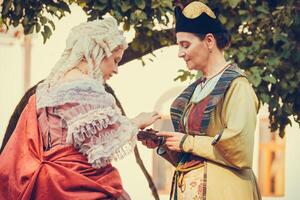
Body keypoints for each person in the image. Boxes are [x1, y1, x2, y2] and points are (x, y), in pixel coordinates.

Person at [0, 17, 161, 200]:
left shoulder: (46, 90)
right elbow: (100, 147)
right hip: (78, 183)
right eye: (115, 60)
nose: (116, 69)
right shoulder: (86, 89)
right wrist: (137, 122)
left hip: (47, 184)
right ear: (97, 52)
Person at [141, 1, 261, 200]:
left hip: (224, 192)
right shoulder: (194, 90)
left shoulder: (238, 86)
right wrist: (166, 143)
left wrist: (187, 142)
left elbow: (239, 149)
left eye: (185, 45)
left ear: (209, 41)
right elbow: (191, 152)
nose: (180, 53)